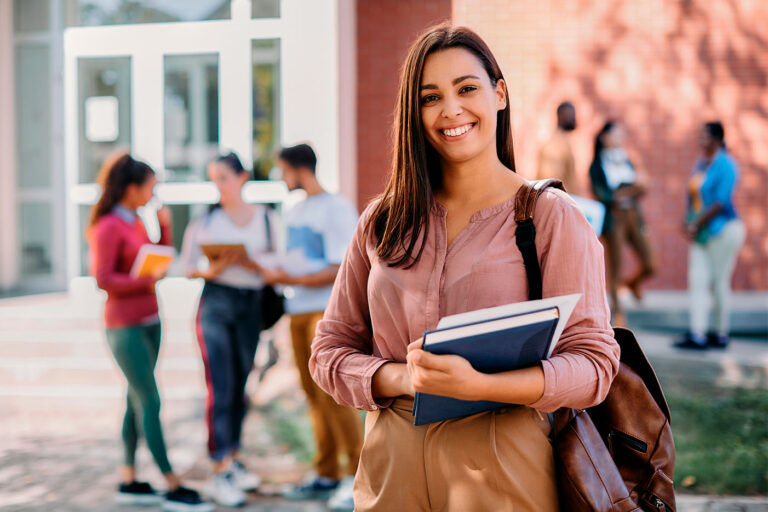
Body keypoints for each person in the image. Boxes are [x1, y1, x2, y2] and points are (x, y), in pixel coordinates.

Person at [309, 25, 620, 511]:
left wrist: (481, 387)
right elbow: (328, 352)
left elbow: (595, 366)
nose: (451, 110)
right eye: (430, 96)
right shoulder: (382, 221)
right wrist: (402, 378)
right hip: (391, 470)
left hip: (505, 467)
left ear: (499, 93)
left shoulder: (551, 217)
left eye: (467, 88)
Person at [88, 152, 212, 511]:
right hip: (124, 326)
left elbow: (157, 256)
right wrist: (143, 280)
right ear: (130, 189)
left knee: (135, 398)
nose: (153, 194)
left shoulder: (136, 221)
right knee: (150, 400)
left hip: (150, 321)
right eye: (150, 188)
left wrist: (165, 227)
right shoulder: (109, 225)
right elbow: (103, 279)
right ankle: (171, 482)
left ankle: (128, 479)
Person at [263, 144, 362, 510]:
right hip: (296, 310)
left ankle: (357, 476)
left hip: (326, 311)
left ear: (300, 170)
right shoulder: (295, 210)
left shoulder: (336, 209)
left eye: (283, 171)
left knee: (334, 395)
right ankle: (326, 474)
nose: (281, 179)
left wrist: (293, 278)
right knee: (311, 394)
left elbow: (342, 266)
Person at [179, 152, 275, 507]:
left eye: (223, 177)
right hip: (215, 304)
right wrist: (214, 269)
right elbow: (188, 267)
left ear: (242, 177)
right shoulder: (206, 222)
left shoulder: (266, 219)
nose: (218, 185)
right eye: (213, 178)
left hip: (250, 305)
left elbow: (279, 266)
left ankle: (232, 458)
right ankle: (220, 468)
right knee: (220, 387)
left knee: (240, 386)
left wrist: (251, 262)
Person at [675, 122, 745, 349]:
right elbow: (694, 195)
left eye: (705, 136)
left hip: (723, 230)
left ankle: (720, 333)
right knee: (697, 280)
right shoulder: (701, 164)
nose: (700, 140)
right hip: (701, 233)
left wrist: (696, 223)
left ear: (717, 139)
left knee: (719, 282)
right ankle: (698, 333)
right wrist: (687, 222)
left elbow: (720, 202)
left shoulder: (726, 165)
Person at [589, 121, 655, 326]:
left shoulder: (626, 159)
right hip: (614, 219)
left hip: (633, 217)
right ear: (604, 137)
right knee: (615, 268)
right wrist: (631, 190)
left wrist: (634, 192)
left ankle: (634, 282)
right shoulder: (597, 165)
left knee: (651, 263)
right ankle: (618, 313)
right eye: (615, 135)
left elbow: (641, 188)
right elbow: (603, 195)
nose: (619, 139)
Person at [536, 101, 580, 195]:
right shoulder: (555, 145)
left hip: (570, 198)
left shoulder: (564, 142)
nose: (574, 119)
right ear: (561, 116)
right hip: (560, 199)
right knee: (598, 209)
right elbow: (550, 182)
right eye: (571, 115)